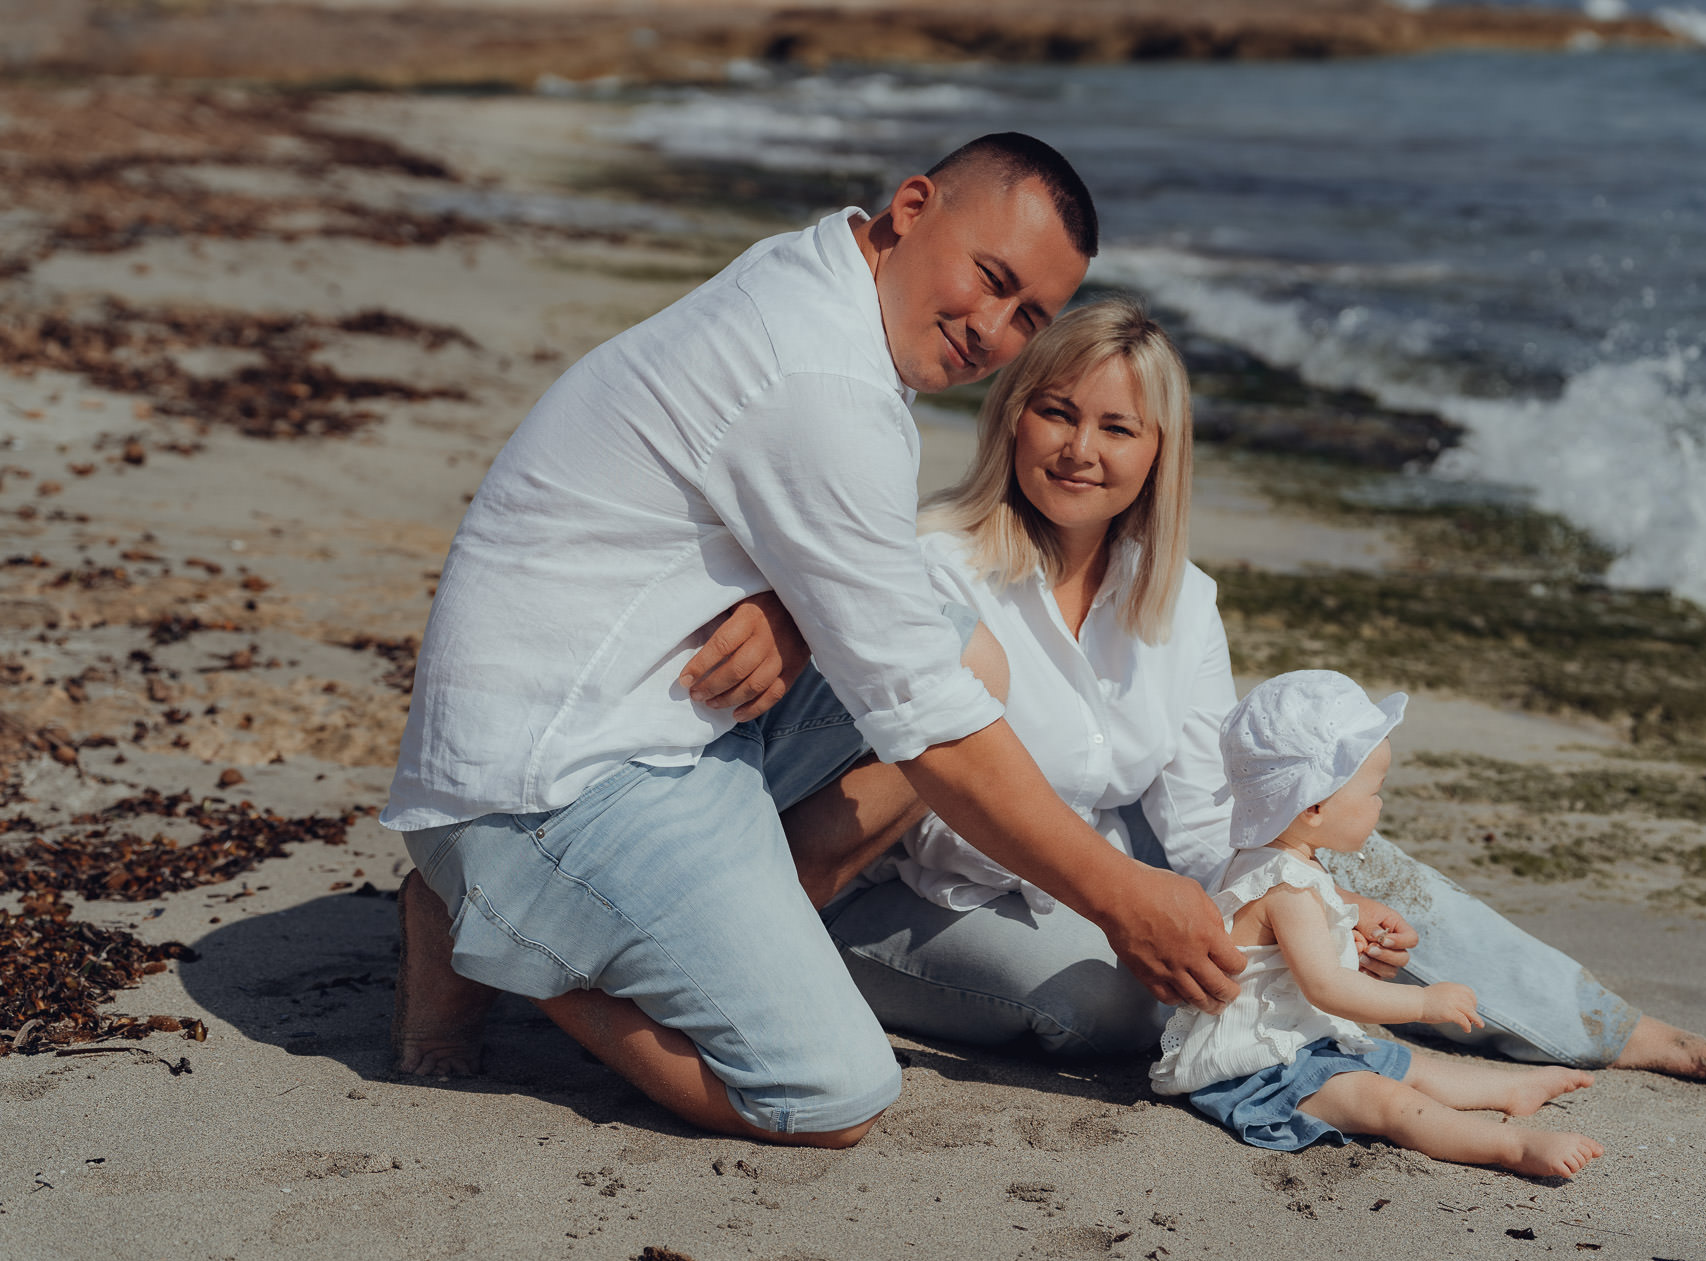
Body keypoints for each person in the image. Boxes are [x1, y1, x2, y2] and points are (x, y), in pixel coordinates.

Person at [381, 134, 1246, 1149]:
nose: (992, 329)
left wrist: (796, 609)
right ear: (912, 208)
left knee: (969, 651)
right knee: (830, 1094)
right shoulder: (822, 375)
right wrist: (1120, 898)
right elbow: (928, 719)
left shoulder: (819, 277)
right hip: (552, 782)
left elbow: (798, 522)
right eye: (990, 277)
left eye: (1028, 316)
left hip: (643, 709)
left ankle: (708, 930)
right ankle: (498, 927)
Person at [815, 296, 1706, 1081]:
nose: (1080, 450)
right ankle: (1368, 1035)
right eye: (1057, 413)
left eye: (1118, 427)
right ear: (1014, 415)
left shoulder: (1178, 600)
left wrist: (1318, 904)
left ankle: (1601, 1026)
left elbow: (1208, 819)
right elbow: (932, 806)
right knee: (1124, 1003)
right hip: (929, 892)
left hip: (1109, 864)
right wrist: (1144, 906)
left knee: (1344, 857)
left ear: (1159, 450)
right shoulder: (935, 563)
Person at [1149, 670, 1605, 1179]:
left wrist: (1350, 917)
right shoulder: (1288, 887)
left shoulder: (1276, 861)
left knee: (1404, 1064)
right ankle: (1511, 1146)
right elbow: (1327, 987)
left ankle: (1511, 1089)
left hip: (1299, 1039)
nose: (1380, 804)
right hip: (1258, 1070)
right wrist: (1423, 1003)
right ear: (1314, 806)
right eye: (1373, 791)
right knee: (1386, 1101)